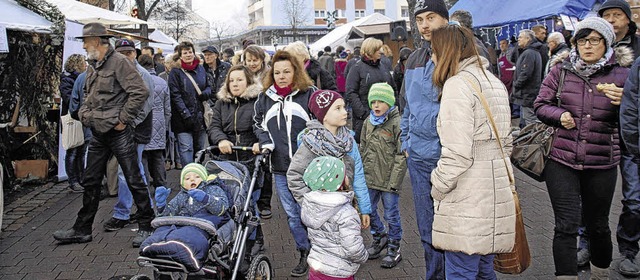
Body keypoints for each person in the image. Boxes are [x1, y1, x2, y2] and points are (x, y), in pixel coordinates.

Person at [534, 17, 632, 279]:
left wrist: (628, 102)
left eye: (594, 40)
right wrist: (558, 115)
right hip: (561, 159)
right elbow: (540, 104)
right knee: (565, 225)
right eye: (581, 40)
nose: (587, 46)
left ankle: (600, 273)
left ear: (606, 42)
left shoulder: (625, 74)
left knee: (598, 225)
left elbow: (634, 119)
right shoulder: (561, 70)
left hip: (602, 162)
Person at [52, 23, 153, 247]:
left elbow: (140, 92)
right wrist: (85, 114)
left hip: (118, 133)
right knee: (91, 180)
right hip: (98, 132)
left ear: (97, 41)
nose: (84, 45)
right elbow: (88, 93)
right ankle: (82, 228)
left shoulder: (119, 62)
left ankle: (147, 224)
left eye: (86, 41)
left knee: (133, 177)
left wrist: (123, 119)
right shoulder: (93, 65)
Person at [428, 23, 516, 279]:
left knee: (461, 269)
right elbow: (507, 142)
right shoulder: (493, 82)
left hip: (468, 193)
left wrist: (438, 184)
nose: (432, 57)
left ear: (446, 52)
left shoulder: (457, 85)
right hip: (495, 188)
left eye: (434, 51)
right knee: (484, 268)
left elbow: (457, 153)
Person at [253, 50, 315, 277]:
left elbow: (322, 122)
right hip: (280, 168)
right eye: (277, 72)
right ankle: (304, 252)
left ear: (296, 71)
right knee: (292, 214)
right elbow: (257, 123)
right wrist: (265, 140)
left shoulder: (309, 94)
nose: (281, 76)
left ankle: (321, 252)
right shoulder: (264, 97)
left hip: (309, 168)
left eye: (286, 71)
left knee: (311, 212)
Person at [399, 0, 449, 278]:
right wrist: (406, 143)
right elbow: (405, 104)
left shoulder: (465, 53)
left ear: (445, 19)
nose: (425, 25)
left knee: (455, 229)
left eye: (431, 17)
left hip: (452, 158)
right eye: (420, 20)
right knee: (427, 229)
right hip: (418, 157)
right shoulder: (415, 58)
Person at [287, 89, 372, 226]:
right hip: (321, 215)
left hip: (346, 209)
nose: (345, 112)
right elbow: (294, 176)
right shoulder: (311, 143)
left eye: (344, 107)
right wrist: (311, 205)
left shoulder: (349, 141)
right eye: (338, 108)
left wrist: (364, 208)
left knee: (350, 241)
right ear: (324, 115)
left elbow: (358, 176)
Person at [600, 1, 640, 276]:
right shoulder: (590, 44)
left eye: (617, 15)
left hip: (630, 136)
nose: (612, 20)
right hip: (597, 133)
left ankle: (629, 250)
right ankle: (589, 244)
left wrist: (624, 95)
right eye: (607, 16)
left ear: (629, 19)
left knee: (635, 199)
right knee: (591, 197)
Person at [140, 163, 230, 271]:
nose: (192, 180)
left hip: (202, 222)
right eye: (187, 178)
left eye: (197, 177)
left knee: (190, 232)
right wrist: (161, 205)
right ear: (183, 183)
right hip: (182, 221)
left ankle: (180, 247)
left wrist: (205, 198)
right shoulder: (182, 195)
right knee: (162, 228)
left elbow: (221, 208)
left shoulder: (212, 189)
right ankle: (156, 246)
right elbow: (169, 215)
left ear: (205, 179)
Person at [360, 83, 406, 268]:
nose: (376, 105)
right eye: (373, 102)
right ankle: (380, 237)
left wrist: (394, 181)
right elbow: (362, 147)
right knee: (368, 209)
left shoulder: (397, 123)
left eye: (381, 102)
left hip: (388, 180)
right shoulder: (367, 122)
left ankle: (395, 247)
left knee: (391, 214)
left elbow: (401, 154)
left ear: (389, 102)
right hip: (370, 177)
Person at [300, 156, 368, 280]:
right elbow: (353, 248)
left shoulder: (311, 205)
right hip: (339, 272)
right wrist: (363, 256)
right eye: (344, 174)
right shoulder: (346, 212)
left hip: (317, 268)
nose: (347, 176)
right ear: (337, 182)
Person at [242, 45, 274, 218]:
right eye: (249, 60)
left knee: (265, 164)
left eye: (255, 60)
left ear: (262, 60)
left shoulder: (269, 75)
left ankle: (264, 202)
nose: (252, 63)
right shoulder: (242, 74)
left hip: (264, 120)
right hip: (246, 121)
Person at [169, 41, 211, 166]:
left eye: (190, 52)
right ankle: (188, 175)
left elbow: (209, 86)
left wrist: (206, 93)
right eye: (185, 53)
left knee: (199, 149)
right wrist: (185, 113)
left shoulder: (201, 69)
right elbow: (175, 95)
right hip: (183, 119)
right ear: (180, 55)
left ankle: (198, 174)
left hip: (200, 116)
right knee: (186, 148)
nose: (188, 55)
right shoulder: (175, 72)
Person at [345, 37, 395, 143]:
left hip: (386, 117)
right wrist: (363, 113)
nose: (380, 52)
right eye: (377, 49)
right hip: (364, 119)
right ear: (370, 50)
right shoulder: (357, 68)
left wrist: (393, 108)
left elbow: (392, 88)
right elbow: (351, 92)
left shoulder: (383, 66)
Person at [138, 54, 171, 199]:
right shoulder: (162, 82)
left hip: (142, 123)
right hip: (159, 122)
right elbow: (167, 108)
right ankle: (161, 185)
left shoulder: (138, 81)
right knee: (158, 156)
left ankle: (144, 187)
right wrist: (165, 123)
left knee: (143, 156)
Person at [620, 47, 640, 279]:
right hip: (635, 150)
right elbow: (631, 107)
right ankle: (628, 251)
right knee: (633, 202)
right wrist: (634, 146)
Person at [60, 54, 87, 193]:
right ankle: (73, 180)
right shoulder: (67, 79)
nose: (86, 65)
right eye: (83, 62)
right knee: (72, 151)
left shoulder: (80, 78)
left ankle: (81, 179)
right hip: (72, 118)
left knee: (81, 151)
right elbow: (68, 98)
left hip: (81, 118)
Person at [511, 29, 543, 128]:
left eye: (520, 37)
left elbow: (526, 73)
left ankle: (533, 140)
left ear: (528, 39)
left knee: (530, 120)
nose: (518, 39)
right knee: (525, 119)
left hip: (527, 93)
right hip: (527, 93)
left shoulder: (529, 53)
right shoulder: (531, 52)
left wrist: (516, 84)